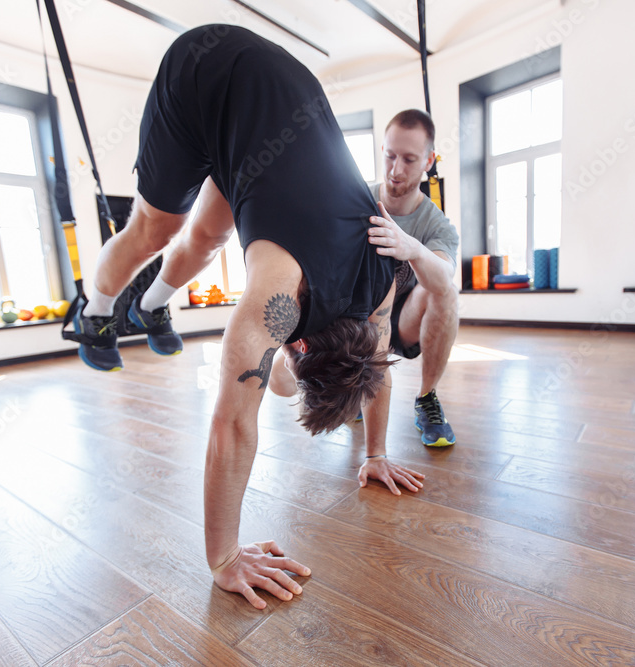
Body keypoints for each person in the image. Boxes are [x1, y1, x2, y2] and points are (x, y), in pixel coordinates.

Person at [71, 24, 424, 610]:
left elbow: (377, 370)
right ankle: (99, 309)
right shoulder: (274, 300)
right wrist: (224, 558)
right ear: (298, 344)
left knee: (208, 239)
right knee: (157, 229)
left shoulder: (382, 283)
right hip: (201, 75)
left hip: (281, 97)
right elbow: (233, 427)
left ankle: (152, 305)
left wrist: (376, 454)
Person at [370, 110, 460, 448]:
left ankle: (426, 398)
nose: (396, 170)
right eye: (390, 156)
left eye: (409, 160)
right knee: (280, 382)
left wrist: (414, 249)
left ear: (428, 161)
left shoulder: (437, 225)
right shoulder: (356, 200)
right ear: (382, 149)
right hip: (360, 321)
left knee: (446, 292)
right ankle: (353, 387)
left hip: (402, 322)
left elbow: (442, 280)